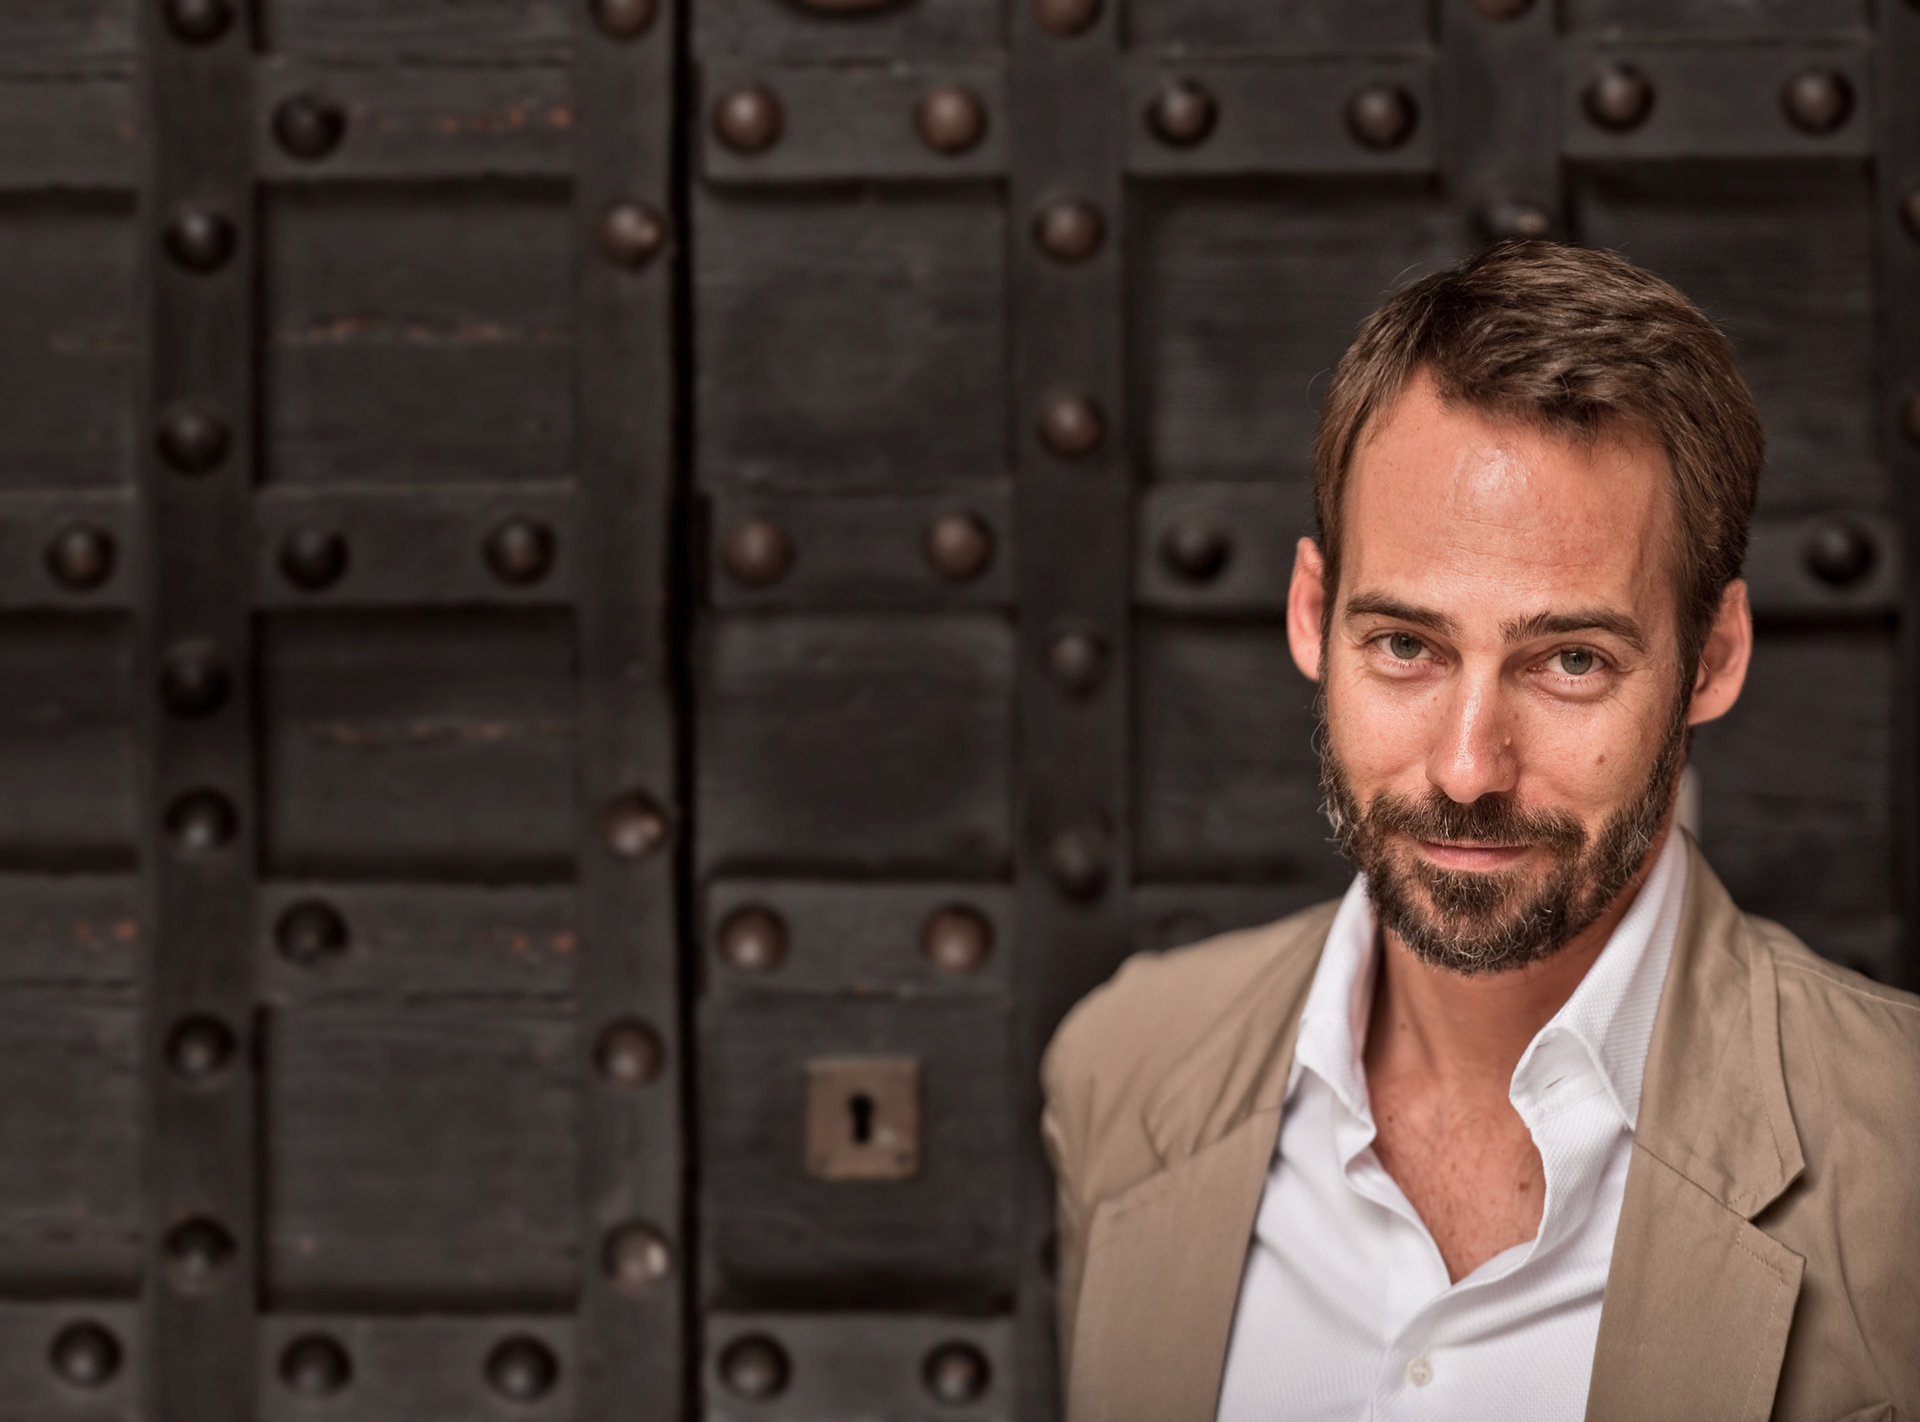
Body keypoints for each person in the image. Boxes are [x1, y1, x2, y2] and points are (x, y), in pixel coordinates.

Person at [1041, 242, 1920, 1422]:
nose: (1467, 769)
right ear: (1311, 614)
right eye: (1407, 645)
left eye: (1571, 661)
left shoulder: (1902, 1152)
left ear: (1713, 659)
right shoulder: (1120, 1069)